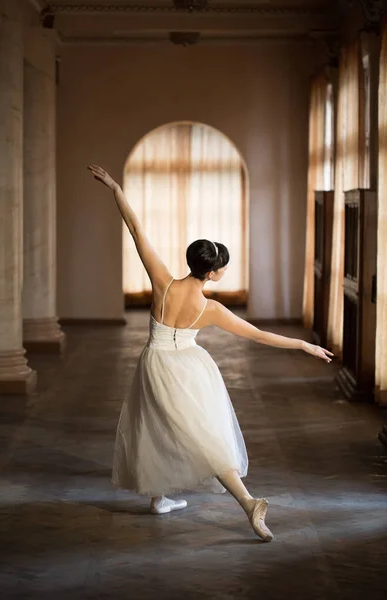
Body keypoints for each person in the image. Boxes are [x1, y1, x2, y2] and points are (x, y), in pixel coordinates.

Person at [88, 164, 333, 543]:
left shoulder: (163, 282)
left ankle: (159, 498)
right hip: (189, 368)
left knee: (156, 423)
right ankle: (248, 503)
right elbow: (259, 336)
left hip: (155, 362)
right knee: (203, 438)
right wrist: (303, 344)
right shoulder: (212, 309)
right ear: (214, 272)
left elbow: (135, 228)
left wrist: (115, 187)